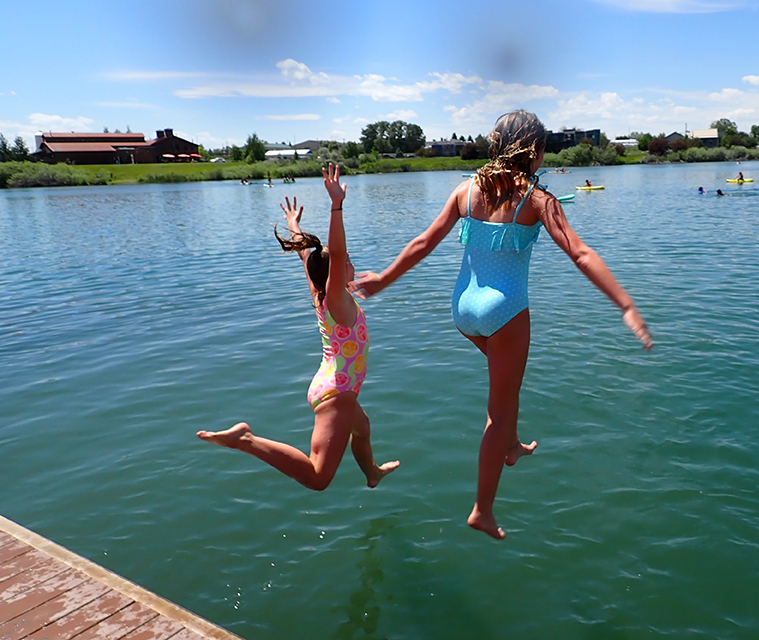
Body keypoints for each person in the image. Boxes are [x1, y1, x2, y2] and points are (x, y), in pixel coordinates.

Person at [351, 110, 653, 540]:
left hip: (463, 310)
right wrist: (624, 304)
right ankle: (482, 509)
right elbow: (581, 254)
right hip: (505, 310)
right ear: (535, 152)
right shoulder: (537, 199)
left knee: (507, 388)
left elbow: (423, 242)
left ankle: (512, 446)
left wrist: (382, 279)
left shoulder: (465, 191)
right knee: (499, 407)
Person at [198, 164, 399, 491]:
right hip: (336, 393)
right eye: (346, 262)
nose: (351, 263)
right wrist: (336, 206)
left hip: (335, 383)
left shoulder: (320, 292)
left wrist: (294, 224)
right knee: (318, 477)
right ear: (335, 269)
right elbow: (336, 252)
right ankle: (245, 439)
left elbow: (306, 254)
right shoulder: (337, 301)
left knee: (362, 429)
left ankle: (372, 473)